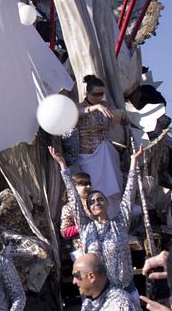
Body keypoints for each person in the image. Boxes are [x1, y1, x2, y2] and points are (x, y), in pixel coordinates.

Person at [51, 144, 141, 308]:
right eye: (92, 201)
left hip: (125, 293)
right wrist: (63, 166)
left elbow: (129, 194)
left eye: (100, 199)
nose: (96, 202)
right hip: (97, 298)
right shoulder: (86, 228)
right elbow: (73, 198)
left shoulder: (119, 223)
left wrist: (134, 162)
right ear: (89, 209)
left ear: (107, 203)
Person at [75, 75, 127, 216]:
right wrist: (93, 108)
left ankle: (115, 217)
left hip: (106, 152)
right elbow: (72, 116)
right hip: (89, 154)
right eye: (95, 94)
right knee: (95, 188)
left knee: (114, 189)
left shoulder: (107, 106)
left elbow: (120, 116)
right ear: (87, 93)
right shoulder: (79, 107)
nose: (99, 97)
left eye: (101, 94)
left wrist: (120, 114)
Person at [59, 172, 93, 249]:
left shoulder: (94, 202)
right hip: (84, 250)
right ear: (74, 187)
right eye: (84, 184)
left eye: (89, 183)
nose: (88, 186)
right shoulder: (68, 208)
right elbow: (65, 232)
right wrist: (82, 226)